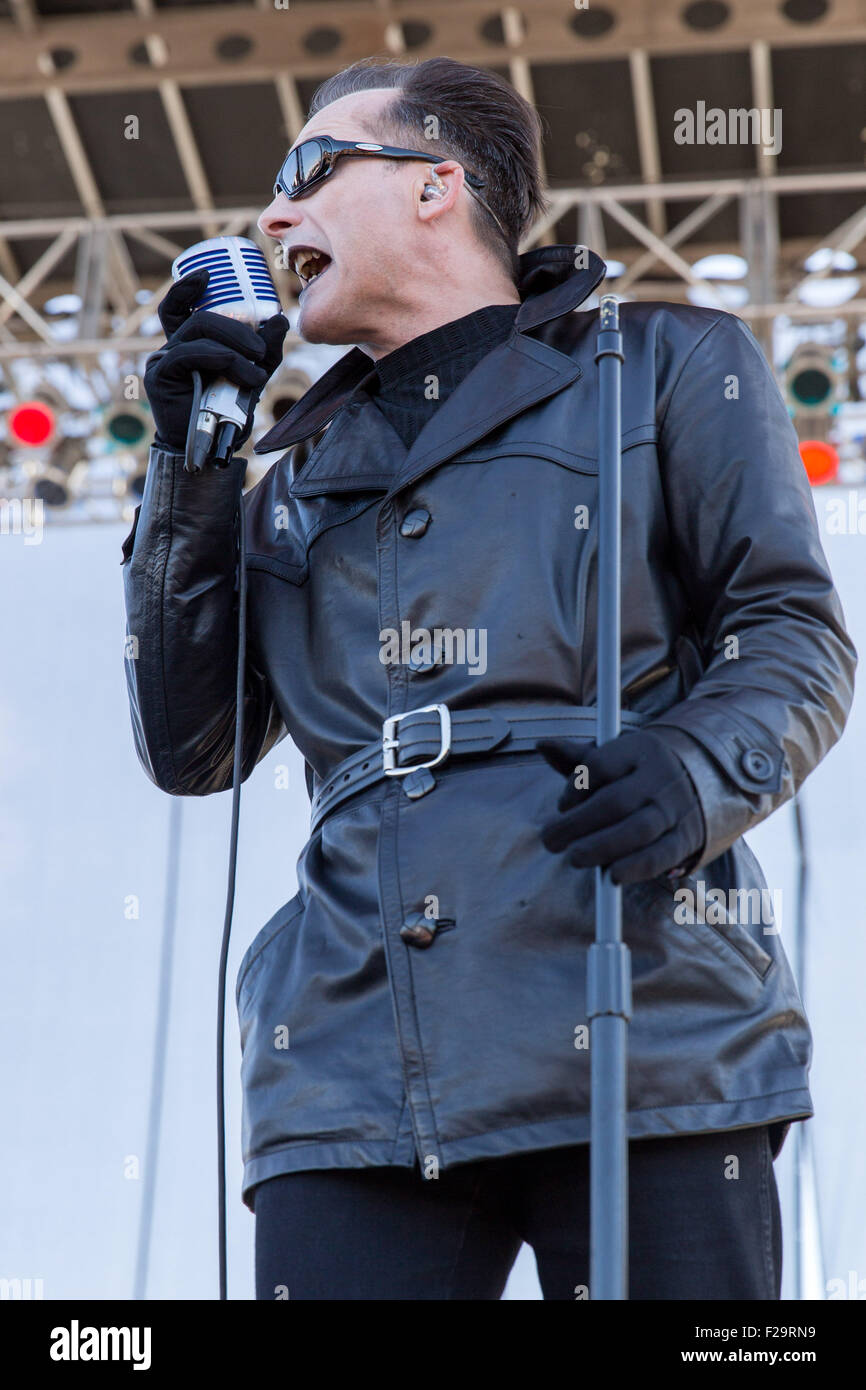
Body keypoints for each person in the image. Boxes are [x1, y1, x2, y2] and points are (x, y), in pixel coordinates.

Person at [121, 56, 856, 1300]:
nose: (270, 219)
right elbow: (188, 747)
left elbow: (789, 626)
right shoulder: (282, 488)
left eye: (307, 172)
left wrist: (692, 770)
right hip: (349, 1057)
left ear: (433, 187)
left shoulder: (669, 362)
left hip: (643, 1010)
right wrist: (193, 461)